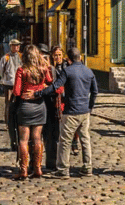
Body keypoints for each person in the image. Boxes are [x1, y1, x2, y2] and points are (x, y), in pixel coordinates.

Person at [37, 47, 98, 178]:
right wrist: (90, 106)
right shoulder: (88, 71)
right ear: (80, 57)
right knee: (85, 140)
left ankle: (63, 169)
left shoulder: (67, 71)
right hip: (84, 111)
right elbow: (95, 91)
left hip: (71, 111)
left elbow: (55, 86)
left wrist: (40, 92)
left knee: (64, 141)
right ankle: (87, 167)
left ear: (68, 59)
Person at [13, 44, 53, 179]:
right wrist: (39, 89)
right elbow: (50, 82)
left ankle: (23, 170)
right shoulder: (43, 69)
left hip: (25, 106)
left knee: (24, 140)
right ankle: (38, 168)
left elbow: (17, 91)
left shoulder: (21, 70)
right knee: (37, 138)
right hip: (39, 106)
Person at [42, 44, 65, 171]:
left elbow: (59, 88)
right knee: (47, 135)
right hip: (45, 105)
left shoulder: (54, 69)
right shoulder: (46, 69)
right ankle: (48, 162)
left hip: (54, 105)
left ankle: (52, 162)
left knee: (53, 135)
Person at [0, 39, 22, 151]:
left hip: (19, 84)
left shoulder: (21, 57)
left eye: (18, 46)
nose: (16, 48)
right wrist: (5, 78)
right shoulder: (6, 57)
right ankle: (8, 122)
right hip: (9, 83)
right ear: (11, 46)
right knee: (8, 104)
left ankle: (17, 121)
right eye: (14, 46)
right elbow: (0, 70)